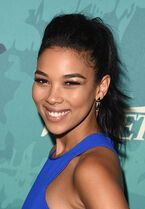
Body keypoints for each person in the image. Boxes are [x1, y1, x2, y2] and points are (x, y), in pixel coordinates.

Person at [22, 13, 129, 209]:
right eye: (42, 80)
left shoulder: (91, 169)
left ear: (101, 87)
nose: (52, 97)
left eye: (70, 83)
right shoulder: (62, 153)